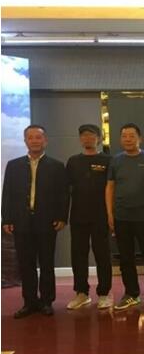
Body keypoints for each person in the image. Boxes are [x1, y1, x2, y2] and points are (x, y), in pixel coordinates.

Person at [1, 125, 69, 318]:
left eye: (38, 137)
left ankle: (47, 301)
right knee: (26, 264)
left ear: (45, 140)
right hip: (21, 222)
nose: (34, 141)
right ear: (25, 141)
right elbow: (7, 194)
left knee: (47, 263)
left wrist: (62, 217)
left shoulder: (56, 166)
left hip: (47, 222)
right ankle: (29, 302)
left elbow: (63, 194)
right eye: (30, 137)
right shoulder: (13, 165)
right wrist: (7, 218)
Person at [106, 123, 144, 310]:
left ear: (140, 138)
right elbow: (110, 187)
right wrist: (110, 213)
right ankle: (131, 293)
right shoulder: (116, 161)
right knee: (126, 258)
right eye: (124, 136)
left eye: (132, 136)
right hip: (122, 216)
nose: (128, 139)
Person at [66, 124, 113, 310]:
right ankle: (81, 293)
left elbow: (112, 189)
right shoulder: (73, 161)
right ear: (80, 139)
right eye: (84, 135)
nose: (87, 138)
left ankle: (104, 293)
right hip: (78, 216)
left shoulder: (108, 160)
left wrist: (111, 214)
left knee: (102, 255)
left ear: (98, 138)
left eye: (91, 135)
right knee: (78, 255)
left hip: (101, 215)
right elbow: (66, 190)